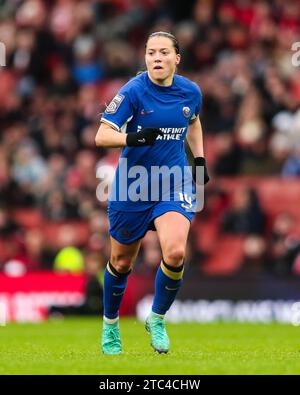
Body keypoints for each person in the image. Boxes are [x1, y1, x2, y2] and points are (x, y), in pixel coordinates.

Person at [95, 31, 209, 355]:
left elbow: (195, 122)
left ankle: (156, 318)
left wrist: (199, 161)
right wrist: (133, 139)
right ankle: (111, 325)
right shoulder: (133, 91)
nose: (156, 58)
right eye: (150, 53)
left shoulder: (190, 91)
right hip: (133, 185)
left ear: (177, 58)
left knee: (174, 253)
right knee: (120, 262)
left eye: (163, 52)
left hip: (173, 182)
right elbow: (102, 136)